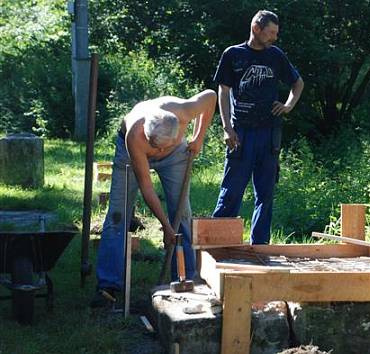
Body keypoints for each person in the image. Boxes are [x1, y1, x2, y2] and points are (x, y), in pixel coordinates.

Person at [91, 90, 217, 307]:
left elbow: (211, 96)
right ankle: (108, 285)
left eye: (162, 147)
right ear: (146, 134)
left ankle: (185, 280)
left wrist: (198, 137)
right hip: (131, 153)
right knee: (117, 216)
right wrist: (165, 227)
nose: (158, 151)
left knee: (183, 215)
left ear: (180, 127)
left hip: (176, 155)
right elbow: (147, 188)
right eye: (155, 146)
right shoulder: (135, 135)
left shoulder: (184, 110)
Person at [212, 10, 304, 244]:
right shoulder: (233, 54)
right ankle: (219, 244)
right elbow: (223, 92)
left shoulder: (276, 56)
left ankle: (259, 247)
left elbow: (297, 82)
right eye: (271, 32)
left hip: (270, 134)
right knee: (231, 191)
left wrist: (288, 105)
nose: (274, 37)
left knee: (265, 194)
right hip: (240, 133)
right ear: (256, 29)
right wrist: (226, 127)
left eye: (276, 33)